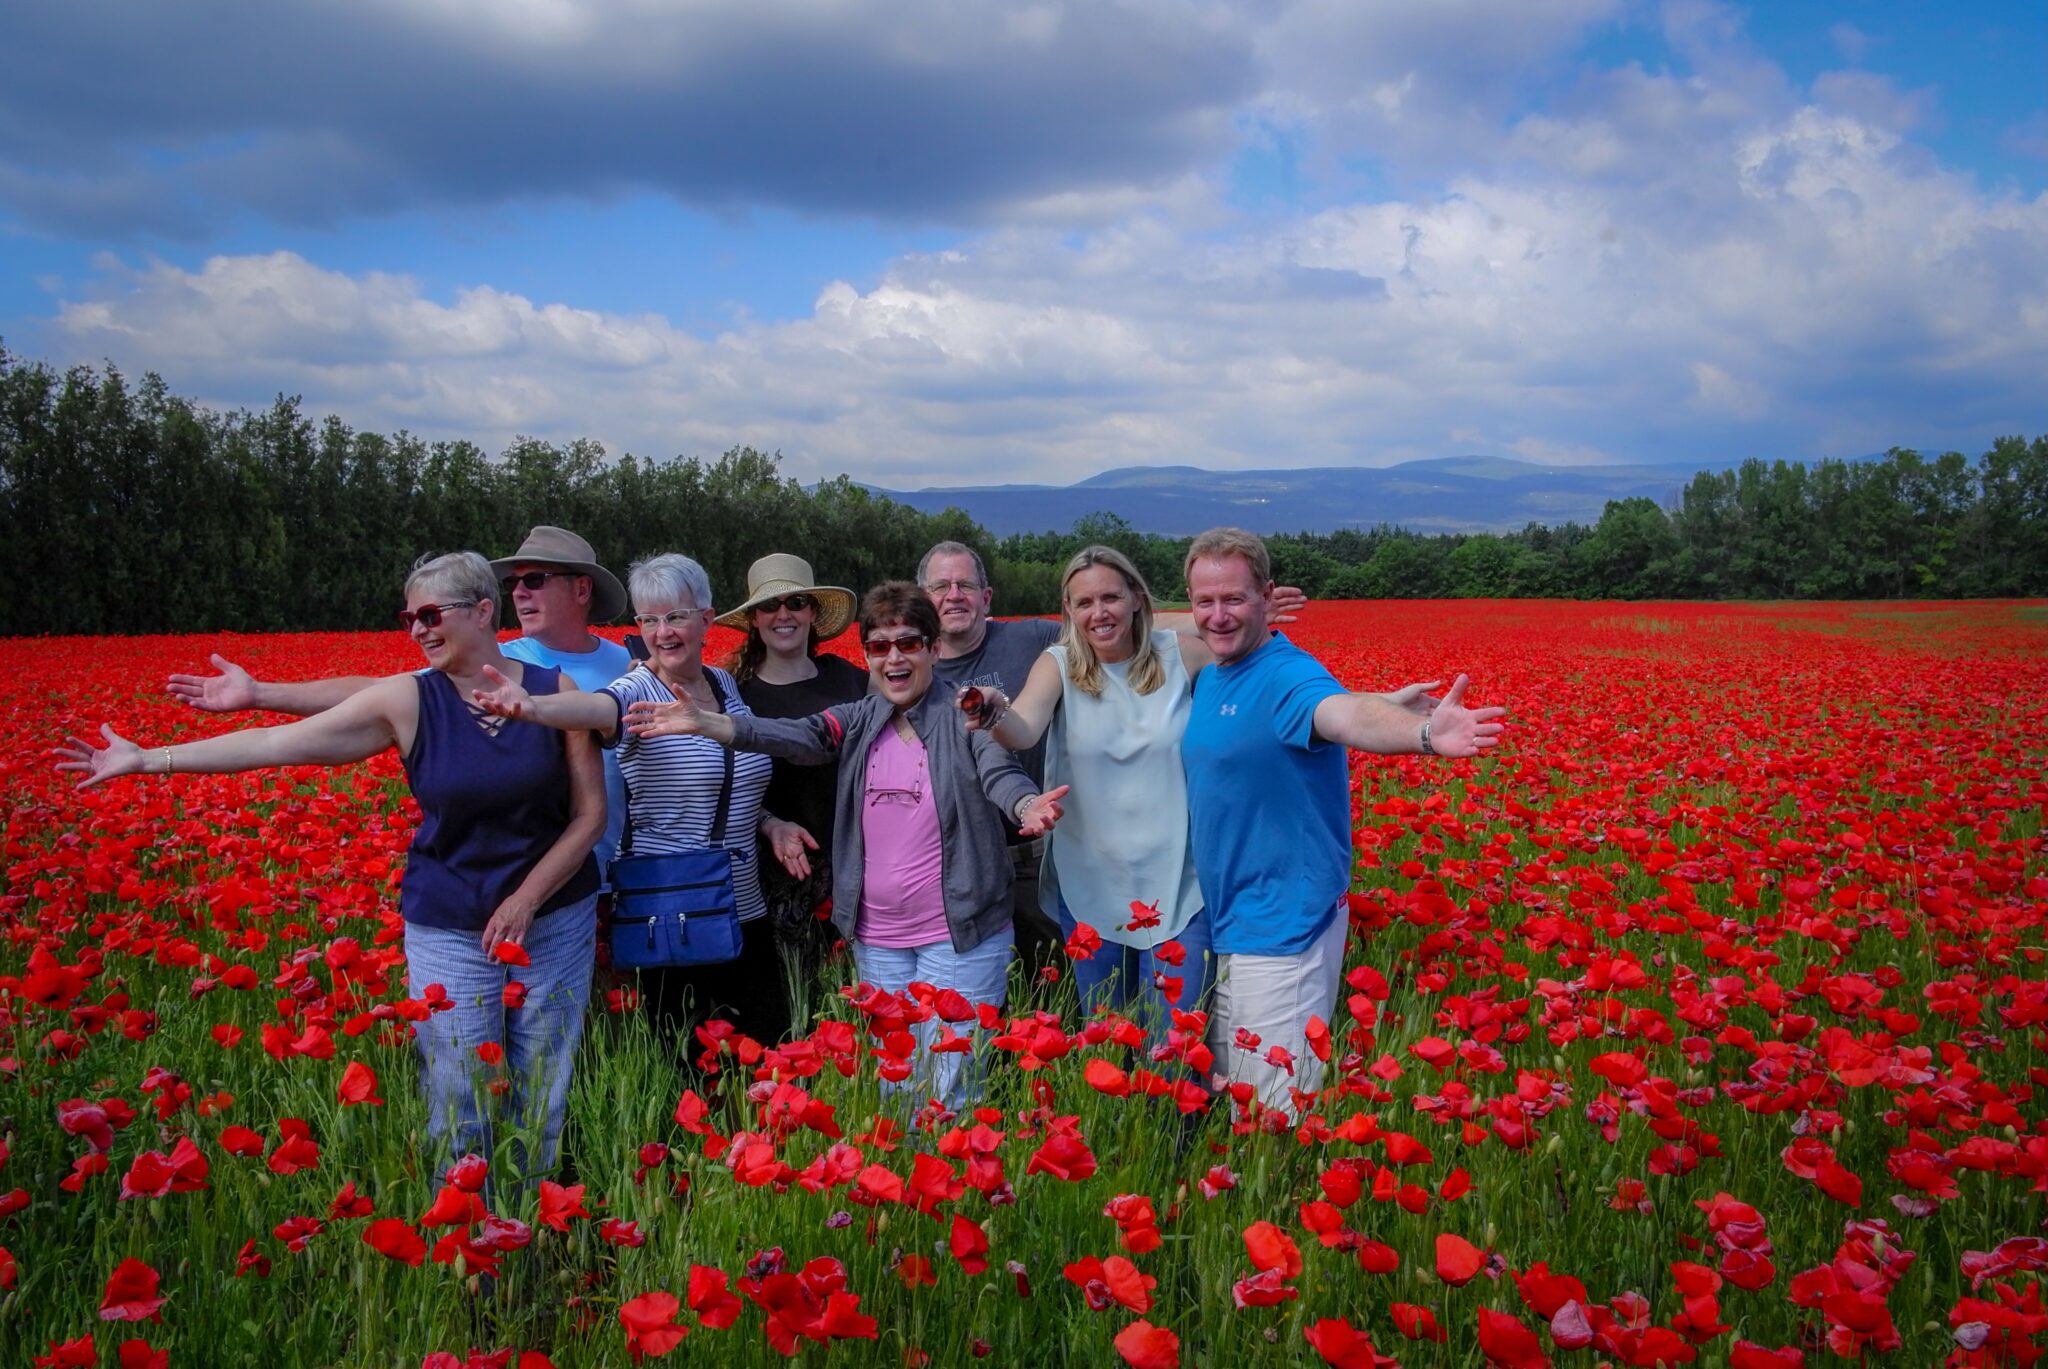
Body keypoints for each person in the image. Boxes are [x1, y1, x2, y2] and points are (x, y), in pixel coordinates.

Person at [60, 552, 604, 1179]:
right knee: (460, 1094)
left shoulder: (554, 693)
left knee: (542, 1087)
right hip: (451, 921)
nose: (418, 630)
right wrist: (149, 758)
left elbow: (588, 816)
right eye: (409, 618)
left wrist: (526, 900)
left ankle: (526, 1235)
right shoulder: (409, 700)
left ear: (483, 610)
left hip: (553, 918)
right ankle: (469, 1250)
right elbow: (273, 745)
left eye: (431, 614)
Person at [622, 582, 1067, 1114]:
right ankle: (901, 1192)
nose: (894, 657)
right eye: (879, 646)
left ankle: (949, 1196)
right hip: (878, 939)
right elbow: (791, 734)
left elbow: (1000, 773)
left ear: (930, 647)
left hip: (959, 934)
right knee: (895, 1084)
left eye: (908, 642)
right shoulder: (857, 721)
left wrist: (1026, 808)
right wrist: (710, 723)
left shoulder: (961, 718)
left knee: (951, 1085)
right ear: (868, 656)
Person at [1176, 527, 1504, 1118]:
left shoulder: (1284, 674)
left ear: (1267, 598)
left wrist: (1423, 735)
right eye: (1206, 601)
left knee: (1273, 1119)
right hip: (1227, 923)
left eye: (1235, 599)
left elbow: (1339, 713)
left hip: (1282, 927)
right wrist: (1382, 693)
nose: (1219, 616)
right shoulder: (1218, 674)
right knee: (1232, 1103)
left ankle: (1278, 1206)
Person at [470, 553, 814, 1057]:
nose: (662, 631)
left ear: (705, 618)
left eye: (675, 616)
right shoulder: (634, 690)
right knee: (689, 1063)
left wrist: (770, 823)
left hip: (744, 905)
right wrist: (533, 707)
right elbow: (594, 708)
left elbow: (728, 780)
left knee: (766, 1055)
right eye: (648, 619)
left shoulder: (725, 687)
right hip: (675, 907)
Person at [165, 526, 635, 880]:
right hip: (551, 873)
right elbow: (376, 694)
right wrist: (262, 694)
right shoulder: (501, 667)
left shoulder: (630, 664)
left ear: (581, 589)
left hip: (630, 867)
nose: (519, 592)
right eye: (514, 584)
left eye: (535, 579)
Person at [715, 554, 868, 991]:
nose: (783, 614)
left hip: (856, 859)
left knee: (859, 992)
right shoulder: (736, 697)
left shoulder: (850, 679)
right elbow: (724, 783)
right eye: (769, 606)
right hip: (777, 869)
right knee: (795, 992)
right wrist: (769, 825)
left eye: (796, 602)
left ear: (813, 613)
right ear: (754, 619)